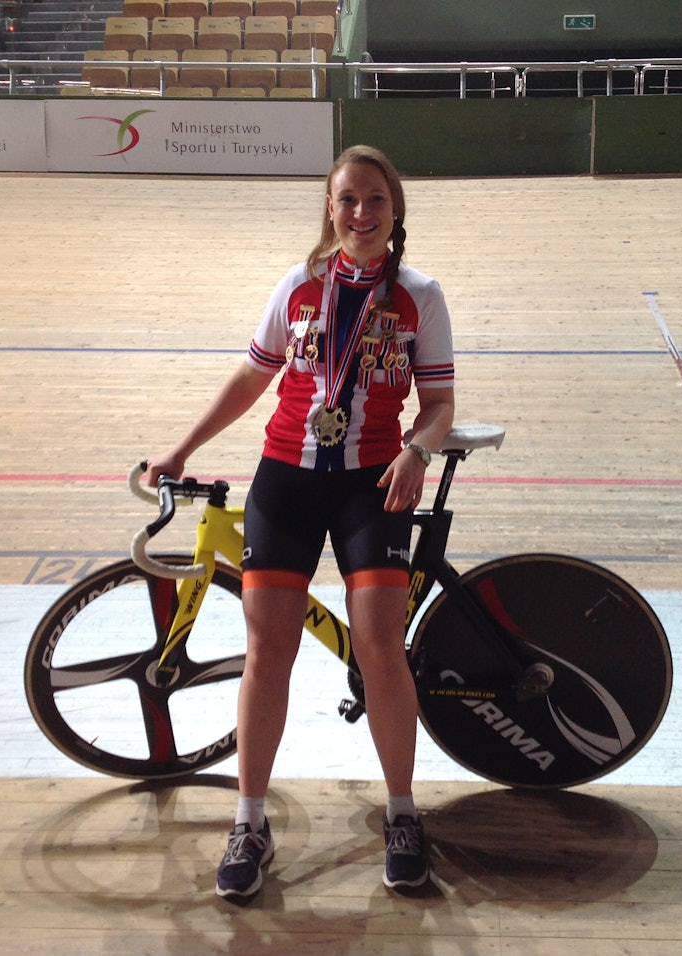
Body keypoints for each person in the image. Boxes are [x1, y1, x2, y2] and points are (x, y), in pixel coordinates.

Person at [145, 145, 455, 900]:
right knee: (267, 648)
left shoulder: (419, 294)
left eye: (375, 199)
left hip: (369, 485)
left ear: (395, 209)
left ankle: (404, 813)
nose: (361, 213)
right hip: (284, 481)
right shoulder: (300, 286)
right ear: (330, 207)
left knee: (381, 644)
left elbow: (442, 403)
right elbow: (254, 376)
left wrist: (418, 449)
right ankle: (250, 822)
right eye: (348, 199)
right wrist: (181, 447)